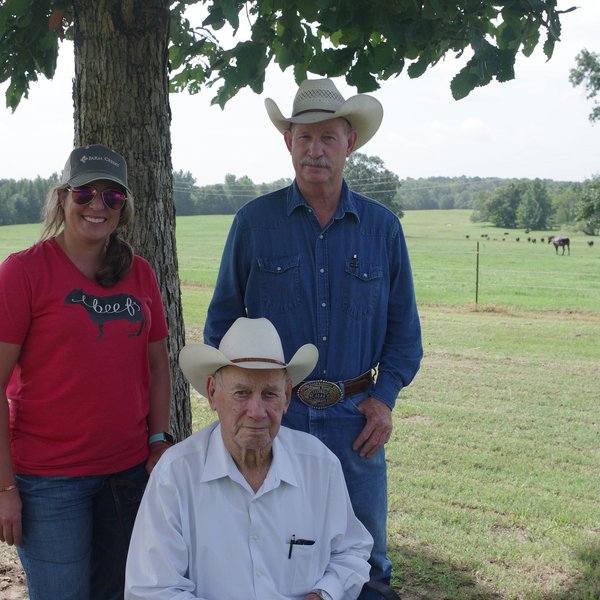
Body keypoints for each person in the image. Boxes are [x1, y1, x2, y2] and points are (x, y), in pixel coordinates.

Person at [204, 78, 423, 598]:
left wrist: (383, 401)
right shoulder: (254, 224)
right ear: (288, 143)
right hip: (277, 417)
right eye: (304, 137)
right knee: (279, 552)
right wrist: (242, 404)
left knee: (367, 560)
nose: (315, 149)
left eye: (328, 136)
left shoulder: (382, 229)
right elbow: (221, 324)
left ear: (350, 143)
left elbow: (404, 335)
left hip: (356, 422)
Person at [0, 144, 173, 600]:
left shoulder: (140, 274)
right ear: (63, 198)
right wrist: (5, 488)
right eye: (85, 194)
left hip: (129, 475)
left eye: (112, 197)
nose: (98, 205)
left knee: (123, 593)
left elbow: (157, 365)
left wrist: (158, 441)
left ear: (123, 207)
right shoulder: (24, 273)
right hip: (49, 483)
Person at [125, 317, 373, 600]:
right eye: (241, 393)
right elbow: (153, 589)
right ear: (213, 393)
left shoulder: (318, 464)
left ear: (287, 397)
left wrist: (323, 594)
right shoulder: (176, 474)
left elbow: (352, 550)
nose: (256, 411)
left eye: (269, 394)